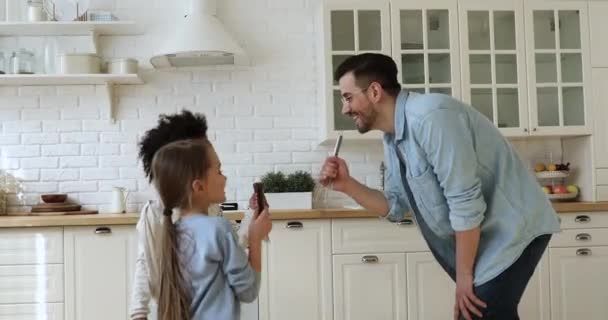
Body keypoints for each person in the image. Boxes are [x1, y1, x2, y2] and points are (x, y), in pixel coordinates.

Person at [319, 53, 560, 320]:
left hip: (513, 229)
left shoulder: (431, 116)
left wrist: (464, 276)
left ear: (374, 91)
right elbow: (397, 206)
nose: (345, 109)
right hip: (486, 238)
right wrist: (347, 185)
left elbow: (464, 201)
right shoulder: (393, 138)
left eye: (348, 97)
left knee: (481, 312)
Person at [130, 110, 258, 320]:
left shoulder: (210, 210)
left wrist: (252, 217)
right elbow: (145, 263)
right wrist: (138, 313)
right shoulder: (155, 214)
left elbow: (229, 245)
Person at [151, 138, 271, 319]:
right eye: (219, 170)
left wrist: (251, 219)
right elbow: (249, 290)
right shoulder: (218, 228)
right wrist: (256, 240)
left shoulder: (171, 233)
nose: (224, 177)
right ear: (199, 186)